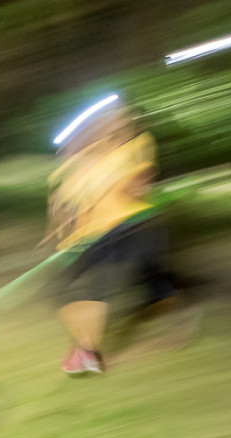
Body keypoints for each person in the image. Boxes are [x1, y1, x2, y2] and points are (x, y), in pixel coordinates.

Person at [42, 102, 178, 375]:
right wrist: (58, 224)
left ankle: (86, 350)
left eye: (119, 123)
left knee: (93, 289)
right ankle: (85, 346)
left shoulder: (128, 151)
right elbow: (61, 201)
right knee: (63, 292)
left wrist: (134, 187)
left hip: (115, 229)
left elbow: (138, 183)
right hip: (85, 236)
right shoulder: (84, 159)